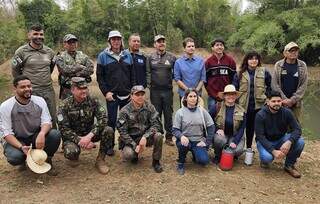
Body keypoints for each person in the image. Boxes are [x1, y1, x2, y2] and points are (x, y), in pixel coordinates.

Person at [0, 75, 61, 176]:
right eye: (23, 87)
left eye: (29, 86)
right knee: (15, 157)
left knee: (54, 134)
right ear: (15, 88)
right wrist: (21, 147)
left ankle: (46, 159)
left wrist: (42, 134)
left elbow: (47, 121)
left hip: (35, 136)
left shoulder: (39, 101)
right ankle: (22, 161)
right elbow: (6, 133)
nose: (27, 89)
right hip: (17, 139)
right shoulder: (6, 106)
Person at [57, 77, 113, 174]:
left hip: (89, 132)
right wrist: (80, 140)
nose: (84, 91)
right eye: (80, 89)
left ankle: (100, 160)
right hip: (73, 136)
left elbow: (103, 119)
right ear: (72, 90)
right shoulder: (64, 105)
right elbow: (63, 129)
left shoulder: (93, 101)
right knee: (71, 152)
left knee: (108, 130)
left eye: (85, 88)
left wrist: (89, 136)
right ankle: (75, 155)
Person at [11, 24, 57, 129]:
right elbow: (16, 71)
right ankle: (32, 141)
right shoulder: (21, 52)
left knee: (52, 117)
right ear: (29, 35)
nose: (39, 36)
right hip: (31, 90)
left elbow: (51, 68)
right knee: (31, 118)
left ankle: (53, 141)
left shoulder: (50, 52)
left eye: (41, 34)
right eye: (35, 34)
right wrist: (23, 88)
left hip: (48, 90)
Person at [96, 30, 134, 156]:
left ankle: (124, 144)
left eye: (118, 39)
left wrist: (132, 93)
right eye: (113, 39)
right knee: (111, 121)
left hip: (127, 95)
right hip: (111, 96)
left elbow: (132, 76)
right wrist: (106, 92)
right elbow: (100, 77)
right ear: (109, 41)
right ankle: (109, 146)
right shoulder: (103, 56)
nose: (116, 41)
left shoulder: (128, 55)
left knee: (126, 121)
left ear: (121, 40)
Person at [255, 90, 305, 178]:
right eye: (273, 101)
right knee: (267, 158)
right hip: (265, 141)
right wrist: (273, 151)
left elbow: (297, 129)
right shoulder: (260, 115)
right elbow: (260, 137)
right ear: (268, 102)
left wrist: (289, 142)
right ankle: (264, 161)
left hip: (281, 139)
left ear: (282, 101)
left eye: (279, 101)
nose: (276, 103)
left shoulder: (287, 112)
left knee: (300, 142)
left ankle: (289, 165)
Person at [117, 85, 164, 173]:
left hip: (145, 138)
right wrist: (135, 145)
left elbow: (156, 124)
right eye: (137, 94)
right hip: (131, 139)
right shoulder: (124, 111)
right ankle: (135, 155)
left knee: (159, 136)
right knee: (128, 154)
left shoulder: (150, 107)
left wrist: (145, 137)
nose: (140, 97)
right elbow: (122, 132)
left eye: (142, 94)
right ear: (131, 96)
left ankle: (156, 162)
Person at [233, 51, 271, 149]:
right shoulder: (239, 73)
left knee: (256, 129)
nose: (253, 61)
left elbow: (270, 87)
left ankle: (255, 148)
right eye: (251, 58)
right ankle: (241, 147)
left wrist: (267, 98)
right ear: (247, 60)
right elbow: (234, 90)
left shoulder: (264, 72)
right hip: (243, 106)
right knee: (243, 128)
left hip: (259, 106)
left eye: (256, 58)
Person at [173, 88, 214, 175]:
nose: (193, 98)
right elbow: (175, 129)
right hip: (185, 140)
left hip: (198, 141)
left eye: (195, 96)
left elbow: (211, 126)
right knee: (183, 145)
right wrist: (181, 136)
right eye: (190, 96)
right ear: (186, 98)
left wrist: (207, 142)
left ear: (198, 98)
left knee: (204, 161)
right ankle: (181, 162)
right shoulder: (180, 112)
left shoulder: (202, 111)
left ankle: (196, 155)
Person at [147, 34, 176, 146]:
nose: (161, 43)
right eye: (159, 41)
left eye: (163, 41)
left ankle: (169, 137)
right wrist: (150, 86)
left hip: (168, 90)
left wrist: (170, 81)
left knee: (168, 114)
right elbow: (148, 73)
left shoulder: (172, 57)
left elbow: (176, 72)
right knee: (156, 114)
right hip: (155, 91)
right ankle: (158, 136)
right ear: (155, 44)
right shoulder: (150, 57)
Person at [272, 42, 308, 123]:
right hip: (280, 102)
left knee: (295, 124)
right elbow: (274, 84)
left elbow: (303, 85)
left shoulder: (302, 65)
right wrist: (284, 99)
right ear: (285, 53)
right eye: (291, 50)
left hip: (296, 103)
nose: (294, 52)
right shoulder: (278, 65)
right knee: (280, 124)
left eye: (296, 50)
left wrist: (292, 100)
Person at [212, 84, 246, 164]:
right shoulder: (217, 107)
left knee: (238, 150)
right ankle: (218, 155)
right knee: (219, 140)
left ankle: (232, 155)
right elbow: (209, 121)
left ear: (235, 96)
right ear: (224, 96)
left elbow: (242, 128)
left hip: (235, 135)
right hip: (222, 135)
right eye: (228, 94)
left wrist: (235, 141)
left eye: (233, 94)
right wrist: (217, 129)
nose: (230, 96)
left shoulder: (241, 110)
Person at [56, 34, 94, 99]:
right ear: (64, 44)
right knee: (67, 108)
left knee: (86, 107)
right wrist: (79, 67)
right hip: (67, 89)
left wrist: (77, 73)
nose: (72, 44)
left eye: (74, 42)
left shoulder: (83, 56)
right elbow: (64, 70)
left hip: (82, 88)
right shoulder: (60, 57)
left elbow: (90, 69)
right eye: (69, 42)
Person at [205, 38, 236, 114]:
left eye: (221, 45)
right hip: (212, 96)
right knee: (212, 116)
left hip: (227, 95)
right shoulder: (208, 62)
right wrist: (212, 93)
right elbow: (205, 80)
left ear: (223, 47)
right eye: (217, 45)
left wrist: (229, 93)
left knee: (227, 115)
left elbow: (234, 78)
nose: (219, 47)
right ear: (212, 48)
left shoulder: (230, 61)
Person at [174, 37, 206, 104]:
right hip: (184, 95)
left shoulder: (200, 61)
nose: (191, 48)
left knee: (198, 114)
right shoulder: (178, 62)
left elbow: (203, 78)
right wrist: (188, 91)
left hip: (197, 95)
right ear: (184, 49)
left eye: (193, 46)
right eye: (189, 46)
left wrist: (195, 91)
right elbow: (177, 79)